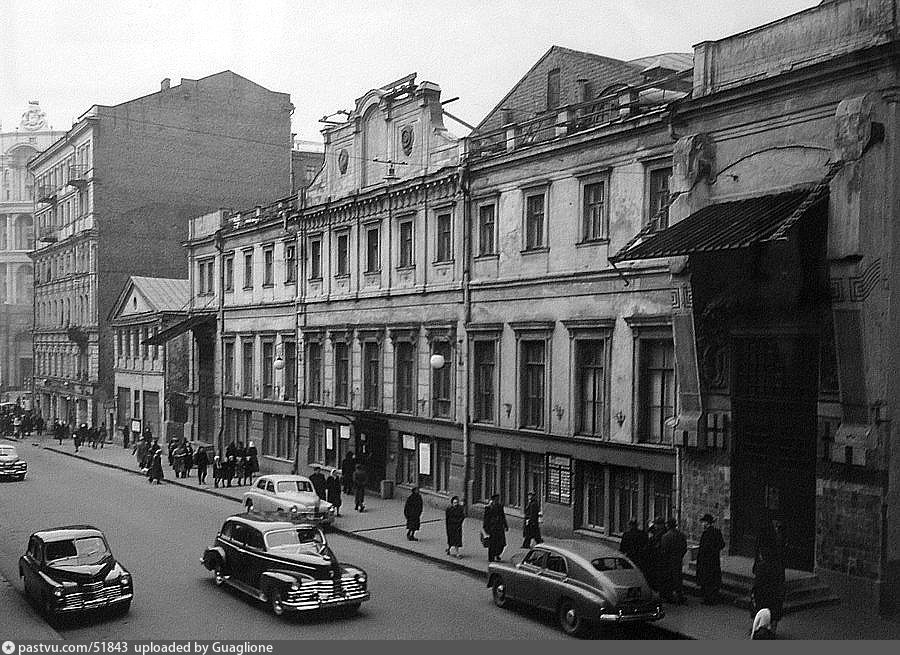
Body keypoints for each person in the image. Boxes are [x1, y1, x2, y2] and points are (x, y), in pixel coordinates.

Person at [752, 546, 785, 633]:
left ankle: (760, 629)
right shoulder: (777, 567)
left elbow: (757, 583)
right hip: (774, 595)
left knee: (762, 612)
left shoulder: (761, 567)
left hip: (763, 594)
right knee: (774, 613)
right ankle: (772, 630)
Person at [697, 513, 726, 605]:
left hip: (706, 560)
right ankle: (713, 597)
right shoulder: (717, 532)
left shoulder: (706, 534)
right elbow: (722, 544)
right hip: (714, 559)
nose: (702, 524)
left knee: (707, 579)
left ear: (706, 523)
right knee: (713, 579)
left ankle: (708, 598)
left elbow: (703, 548)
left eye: (703, 522)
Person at [659, 517, 688, 604]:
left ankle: (670, 596)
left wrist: (665, 558)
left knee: (669, 578)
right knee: (678, 578)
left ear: (668, 526)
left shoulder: (665, 537)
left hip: (668, 560)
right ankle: (679, 596)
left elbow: (664, 550)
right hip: (678, 559)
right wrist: (680, 556)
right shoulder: (681, 535)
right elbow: (684, 548)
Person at [482, 494, 508, 562]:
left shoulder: (500, 506)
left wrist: (505, 525)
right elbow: (486, 519)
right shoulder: (488, 508)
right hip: (492, 528)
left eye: (498, 499)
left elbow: (502, 516)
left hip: (499, 527)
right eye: (496, 500)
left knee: (501, 543)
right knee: (492, 544)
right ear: (493, 500)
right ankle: (491, 558)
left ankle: (497, 554)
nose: (497, 501)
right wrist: (486, 529)